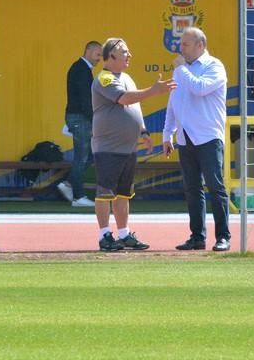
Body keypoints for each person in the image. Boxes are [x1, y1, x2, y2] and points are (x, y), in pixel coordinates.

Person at [92, 37, 177, 252]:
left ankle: (124, 234)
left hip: (128, 148)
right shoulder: (104, 78)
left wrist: (143, 131)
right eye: (125, 51)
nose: (129, 55)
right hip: (108, 148)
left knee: (124, 193)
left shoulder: (127, 77)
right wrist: (153, 90)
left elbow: (135, 107)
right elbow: (124, 99)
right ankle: (104, 236)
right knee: (105, 193)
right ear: (111, 56)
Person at [162, 27, 232, 252]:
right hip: (185, 137)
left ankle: (223, 237)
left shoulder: (214, 66)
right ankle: (197, 237)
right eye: (181, 44)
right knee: (192, 189)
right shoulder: (182, 71)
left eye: (186, 44)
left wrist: (181, 69)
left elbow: (200, 89)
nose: (180, 48)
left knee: (215, 186)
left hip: (208, 135)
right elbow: (174, 101)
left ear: (200, 45)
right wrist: (167, 133)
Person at [57, 41, 102, 207]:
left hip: (78, 118)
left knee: (88, 155)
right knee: (82, 157)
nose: (100, 59)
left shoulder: (81, 68)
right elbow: (85, 100)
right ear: (89, 51)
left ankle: (68, 184)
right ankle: (78, 197)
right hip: (79, 118)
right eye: (98, 54)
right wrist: (94, 119)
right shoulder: (81, 69)